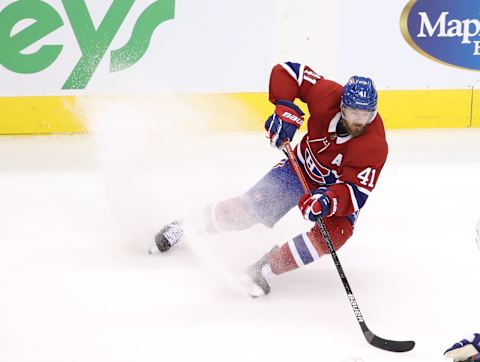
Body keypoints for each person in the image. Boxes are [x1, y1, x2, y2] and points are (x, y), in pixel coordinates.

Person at [150, 61, 388, 297]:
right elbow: (288, 72)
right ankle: (185, 227)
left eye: (366, 114)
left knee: (336, 234)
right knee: (248, 210)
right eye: (354, 112)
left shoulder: (374, 145)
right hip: (300, 168)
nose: (359, 120)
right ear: (342, 107)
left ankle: (265, 268)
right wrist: (285, 109)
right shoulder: (326, 94)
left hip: (336, 190)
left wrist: (327, 201)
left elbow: (354, 191)